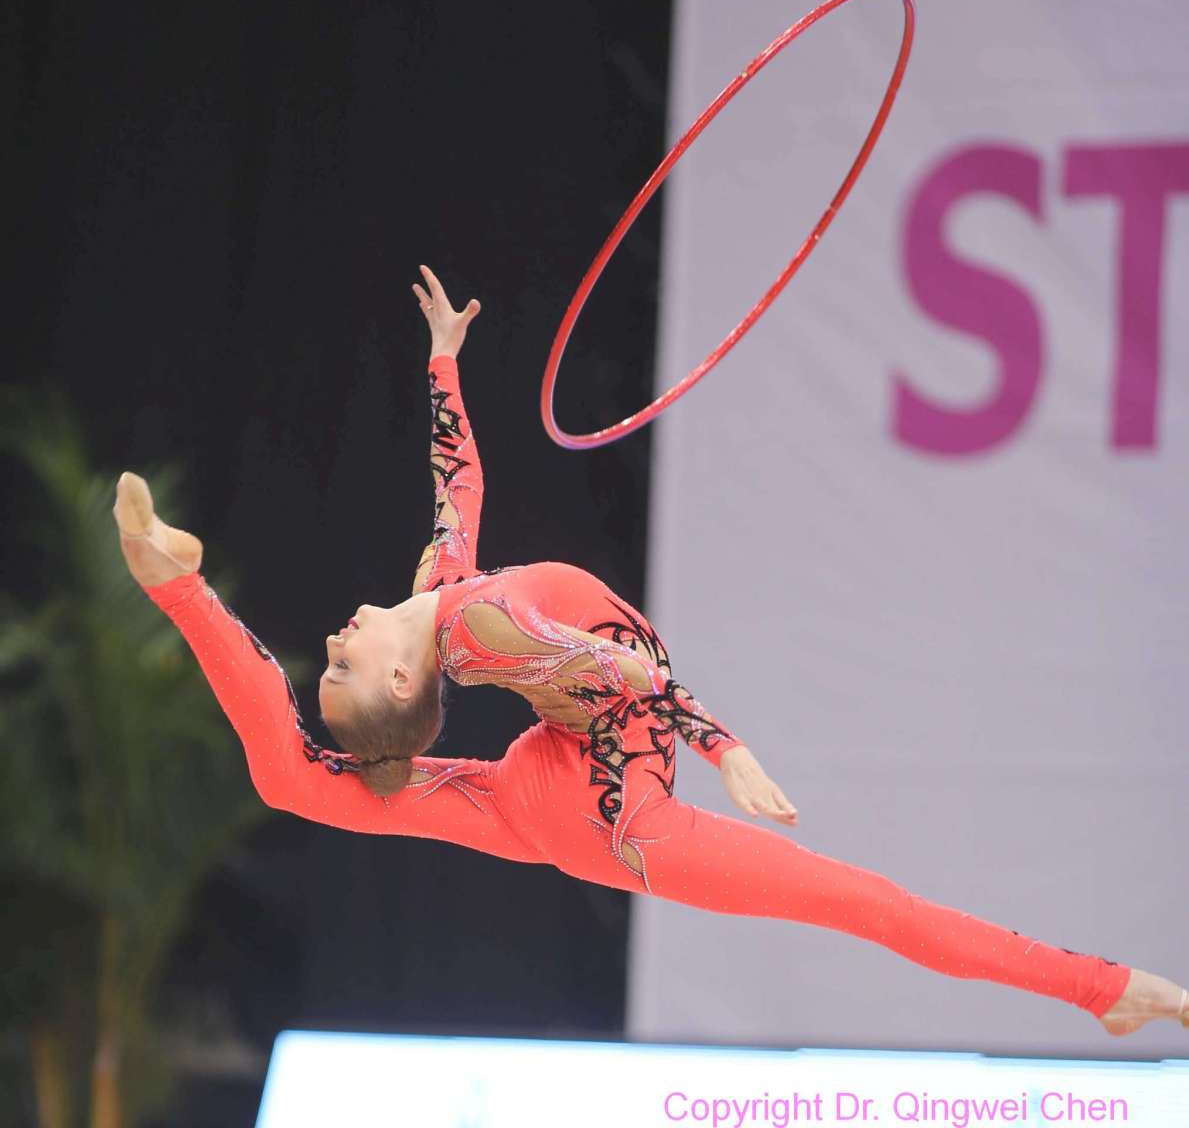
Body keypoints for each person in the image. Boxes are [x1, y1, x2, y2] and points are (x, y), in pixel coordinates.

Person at [115, 264, 1187, 1038]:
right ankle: (1107, 990)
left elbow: (457, 486)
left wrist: (443, 362)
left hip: (536, 786)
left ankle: (175, 579)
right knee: (870, 905)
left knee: (292, 781)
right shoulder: (481, 631)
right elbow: (627, 675)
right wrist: (728, 750)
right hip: (617, 818)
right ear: (402, 680)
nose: (332, 639)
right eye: (343, 666)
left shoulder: (442, 596)